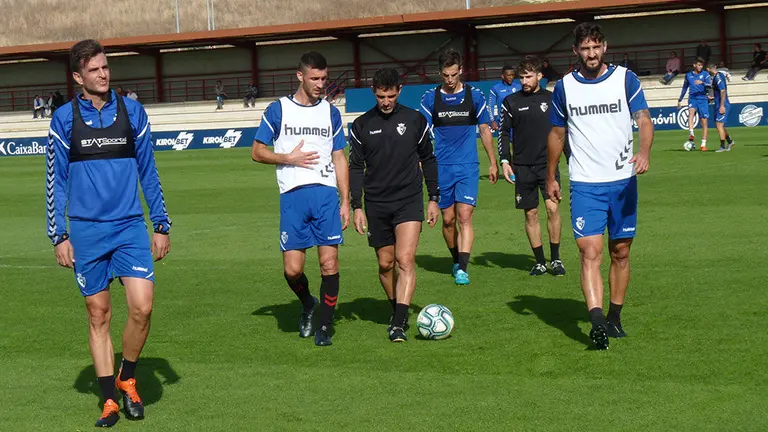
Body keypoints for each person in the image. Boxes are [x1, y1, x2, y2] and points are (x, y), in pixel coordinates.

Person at [47, 39, 171, 427]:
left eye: (105, 67)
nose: (103, 74)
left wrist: (161, 224)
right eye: (95, 69)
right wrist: (59, 234)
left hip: (130, 226)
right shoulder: (64, 119)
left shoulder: (132, 112)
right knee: (98, 314)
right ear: (77, 76)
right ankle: (109, 400)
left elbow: (149, 170)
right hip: (85, 232)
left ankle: (128, 376)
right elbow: (56, 180)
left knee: (142, 306)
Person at [547, 22, 654, 350]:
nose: (591, 54)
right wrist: (551, 176)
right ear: (576, 51)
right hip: (584, 183)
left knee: (620, 251)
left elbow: (645, 120)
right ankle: (596, 322)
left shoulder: (625, 79)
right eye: (585, 49)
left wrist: (644, 152)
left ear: (604, 47)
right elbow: (556, 134)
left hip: (622, 182)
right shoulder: (565, 87)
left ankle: (614, 317)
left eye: (595, 47)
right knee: (588, 251)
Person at [251, 51, 349, 347]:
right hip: (292, 197)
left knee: (329, 264)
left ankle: (324, 325)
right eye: (315, 78)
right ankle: (309, 303)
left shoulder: (330, 112)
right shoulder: (278, 109)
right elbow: (257, 151)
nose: (321, 84)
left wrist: (346, 201)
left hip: (324, 195)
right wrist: (287, 157)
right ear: (300, 76)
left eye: (324, 78)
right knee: (292, 270)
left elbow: (340, 157)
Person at [348, 68, 440, 342]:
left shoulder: (415, 120)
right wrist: (357, 206)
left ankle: (399, 323)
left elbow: (430, 160)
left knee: (404, 260)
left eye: (390, 95)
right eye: (380, 96)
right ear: (373, 93)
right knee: (385, 264)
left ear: (399, 91)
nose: (385, 101)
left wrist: (433, 198)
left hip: (408, 201)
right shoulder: (361, 125)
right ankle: (396, 308)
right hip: (376, 203)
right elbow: (355, 167)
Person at [419, 49, 498, 286]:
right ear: (440, 73)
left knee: (465, 216)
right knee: (448, 220)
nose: (450, 79)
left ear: (460, 70)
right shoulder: (429, 98)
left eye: (454, 74)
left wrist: (493, 162)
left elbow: (485, 130)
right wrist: (420, 162)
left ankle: (462, 267)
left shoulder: (475, 96)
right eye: (446, 75)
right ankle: (456, 258)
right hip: (441, 167)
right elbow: (421, 135)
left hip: (468, 166)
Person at [499, 56, 565, 277]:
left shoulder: (552, 98)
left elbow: (562, 131)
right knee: (531, 213)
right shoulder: (511, 102)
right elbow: (504, 133)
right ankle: (539, 262)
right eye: (522, 77)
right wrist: (505, 160)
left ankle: (555, 259)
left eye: (529, 76)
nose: (524, 81)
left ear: (539, 76)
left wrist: (571, 157)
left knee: (552, 208)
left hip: (548, 165)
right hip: (522, 166)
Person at [488, 64, 522, 182]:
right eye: (508, 75)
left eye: (512, 75)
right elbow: (491, 105)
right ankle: (510, 170)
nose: (511, 77)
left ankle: (518, 170)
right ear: (503, 76)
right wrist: (492, 120)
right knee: (506, 148)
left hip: (518, 122)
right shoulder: (495, 88)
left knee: (518, 147)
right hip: (503, 122)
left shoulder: (519, 87)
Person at [678, 58, 712, 151]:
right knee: (691, 113)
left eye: (701, 65)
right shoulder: (688, 75)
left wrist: (703, 83)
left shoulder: (705, 74)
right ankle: (691, 134)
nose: (700, 67)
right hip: (692, 98)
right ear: (694, 65)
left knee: (704, 121)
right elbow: (684, 88)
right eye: (698, 65)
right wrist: (680, 99)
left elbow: (710, 85)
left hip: (703, 99)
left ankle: (703, 144)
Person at [707, 63, 735, 152]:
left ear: (708, 69)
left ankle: (723, 146)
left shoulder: (718, 77)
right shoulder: (718, 76)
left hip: (722, 105)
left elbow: (723, 91)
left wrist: (722, 106)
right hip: (718, 104)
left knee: (719, 125)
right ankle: (730, 141)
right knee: (719, 125)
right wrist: (712, 98)